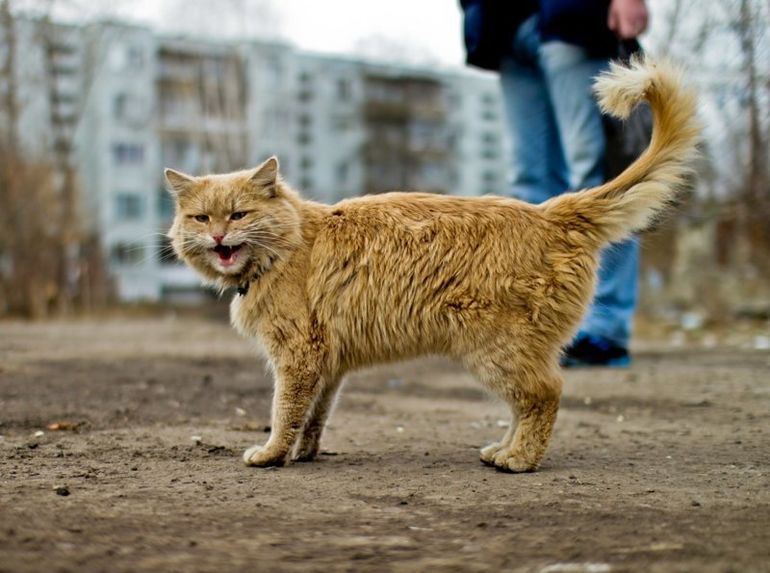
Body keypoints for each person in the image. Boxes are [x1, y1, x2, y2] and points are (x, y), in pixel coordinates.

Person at [461, 0, 649, 367]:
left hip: (575, 16)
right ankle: (543, 322)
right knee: (529, 183)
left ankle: (605, 327)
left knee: (597, 180)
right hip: (502, 26)